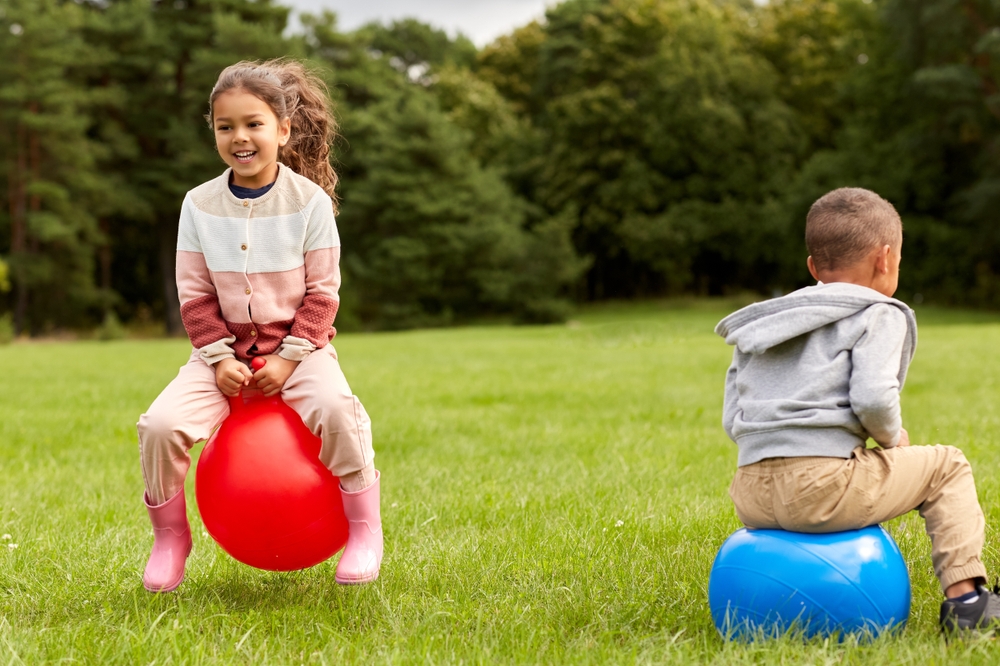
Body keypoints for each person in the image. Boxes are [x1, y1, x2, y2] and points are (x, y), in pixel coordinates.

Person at [137, 60, 381, 592]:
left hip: (302, 352)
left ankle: (364, 527)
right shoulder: (198, 206)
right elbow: (195, 295)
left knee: (340, 410)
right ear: (214, 131)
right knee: (158, 425)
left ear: (283, 130)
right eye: (226, 127)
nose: (240, 137)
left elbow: (323, 293)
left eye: (254, 124)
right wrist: (221, 358)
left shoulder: (309, 203)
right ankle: (170, 535)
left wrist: (290, 357)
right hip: (219, 357)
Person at [715, 187, 1000, 633]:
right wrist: (892, 438)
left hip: (751, 493)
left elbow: (733, 418)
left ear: (813, 267)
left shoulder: (763, 324)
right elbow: (872, 397)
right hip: (823, 490)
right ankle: (969, 604)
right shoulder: (878, 313)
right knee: (947, 465)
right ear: (885, 259)